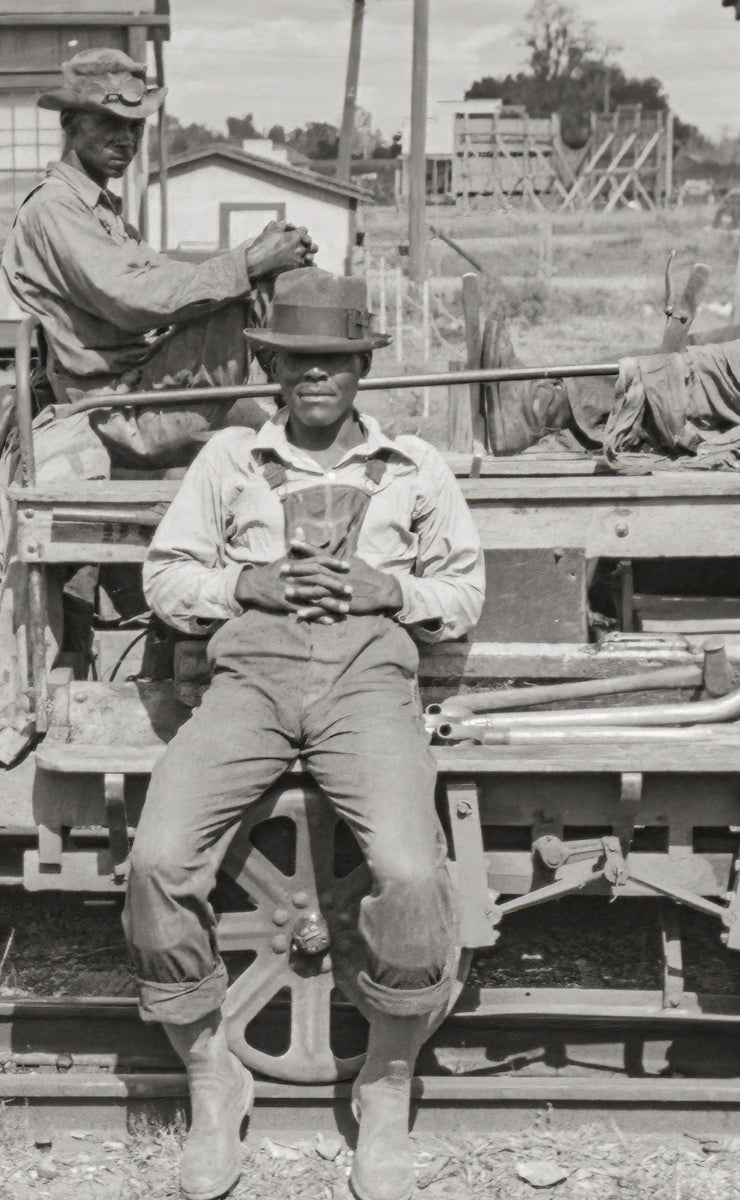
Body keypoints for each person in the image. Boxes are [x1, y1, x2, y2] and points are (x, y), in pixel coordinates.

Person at [122, 267, 484, 1200]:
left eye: (333, 360)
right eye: (296, 361)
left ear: (362, 364)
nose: (314, 376)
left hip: (369, 679)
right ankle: (212, 1074)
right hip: (248, 675)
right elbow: (164, 579)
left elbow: (464, 592)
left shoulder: (415, 467)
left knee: (410, 871)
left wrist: (388, 590)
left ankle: (388, 1083)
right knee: (159, 859)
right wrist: (247, 586)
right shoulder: (230, 462)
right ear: (273, 366)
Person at [2, 47, 315, 473]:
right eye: (111, 122)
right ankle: (313, 409)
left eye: (136, 126)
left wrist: (254, 256)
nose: (127, 140)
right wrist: (248, 264)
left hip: (140, 384)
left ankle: (308, 415)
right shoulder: (55, 208)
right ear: (69, 122)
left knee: (264, 274)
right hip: (116, 410)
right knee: (253, 280)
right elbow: (130, 299)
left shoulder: (100, 210)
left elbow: (161, 275)